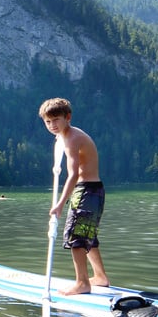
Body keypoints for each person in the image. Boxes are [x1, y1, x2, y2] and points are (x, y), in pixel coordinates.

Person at [41, 96, 111, 295]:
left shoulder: (72, 138)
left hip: (86, 190)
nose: (52, 125)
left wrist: (60, 203)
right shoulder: (68, 135)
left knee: (76, 237)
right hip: (95, 190)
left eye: (56, 120)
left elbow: (72, 175)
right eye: (48, 121)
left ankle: (82, 283)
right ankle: (100, 277)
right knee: (89, 236)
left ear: (68, 117)